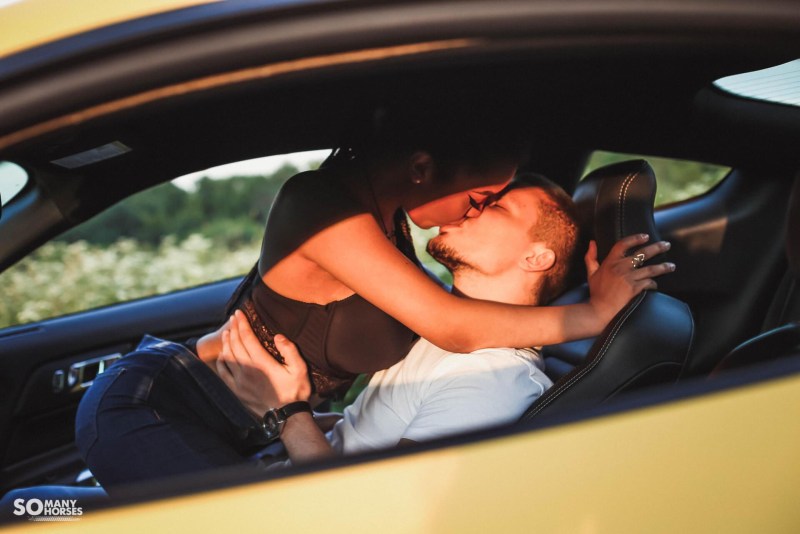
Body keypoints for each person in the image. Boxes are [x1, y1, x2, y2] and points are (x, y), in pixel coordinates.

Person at [76, 102, 674, 489]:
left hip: (251, 426)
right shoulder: (322, 206)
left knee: (45, 512)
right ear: (421, 167)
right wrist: (596, 313)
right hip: (160, 405)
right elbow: (451, 325)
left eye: (493, 204)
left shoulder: (389, 223)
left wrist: (298, 415)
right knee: (35, 513)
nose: (475, 208)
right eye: (480, 195)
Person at [218, 174, 584, 462]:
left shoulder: (495, 379)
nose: (470, 208)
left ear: (537, 258)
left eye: (496, 208)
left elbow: (379, 516)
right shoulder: (439, 325)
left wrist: (286, 412)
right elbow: (364, 434)